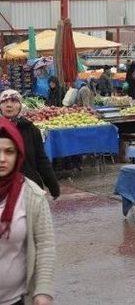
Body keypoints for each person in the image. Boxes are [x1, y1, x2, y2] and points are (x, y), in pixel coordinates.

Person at [0, 117, 56, 305]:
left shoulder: (32, 195)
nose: (2, 159)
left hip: (13, 299)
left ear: (18, 155)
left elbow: (45, 245)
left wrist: (43, 290)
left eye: (9, 151)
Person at [0, 90, 60, 200]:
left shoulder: (31, 130)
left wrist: (53, 187)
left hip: (29, 188)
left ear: (20, 105)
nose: (9, 105)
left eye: (14, 101)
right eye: (4, 101)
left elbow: (41, 160)